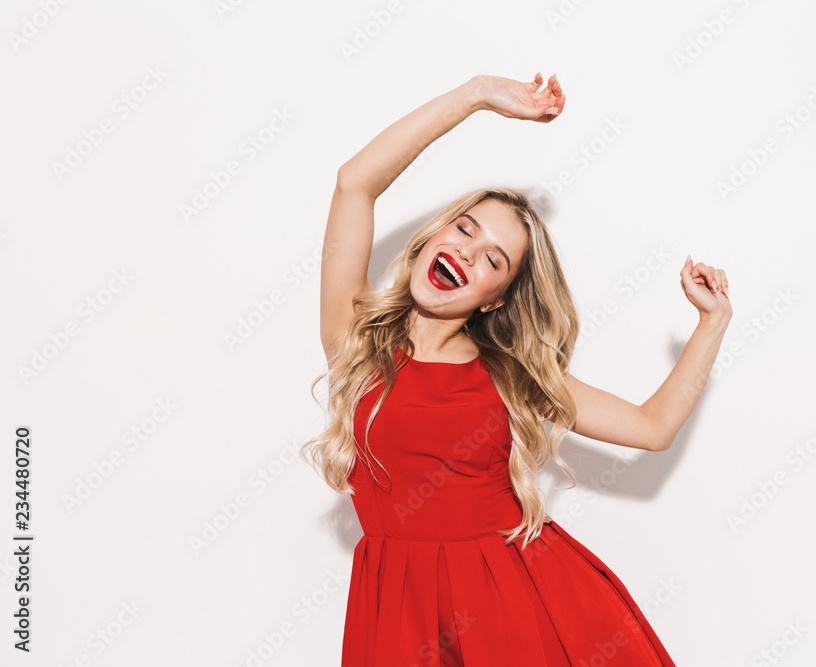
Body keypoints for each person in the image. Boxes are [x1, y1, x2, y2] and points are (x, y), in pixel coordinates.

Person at [301, 72, 731, 666]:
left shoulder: (511, 377)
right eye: (463, 229)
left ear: (495, 298)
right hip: (396, 612)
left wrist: (711, 323)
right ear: (432, 237)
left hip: (515, 607)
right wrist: (473, 95)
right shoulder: (356, 341)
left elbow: (652, 428)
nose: (466, 252)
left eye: (492, 259)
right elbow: (354, 184)